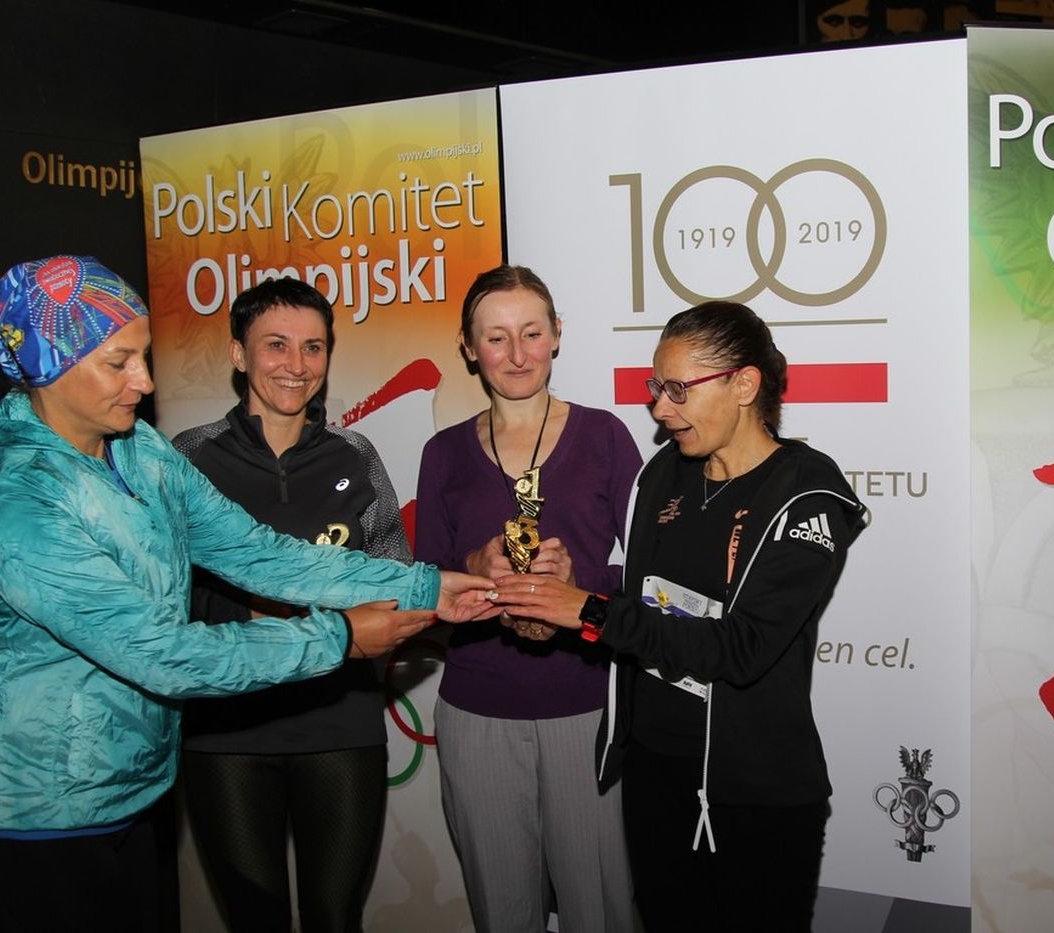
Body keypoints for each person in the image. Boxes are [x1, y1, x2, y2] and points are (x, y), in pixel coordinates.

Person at [0, 255, 495, 932]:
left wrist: (425, 584)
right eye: (119, 362)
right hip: (40, 815)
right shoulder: (13, 490)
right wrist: (338, 636)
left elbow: (256, 552)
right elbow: (160, 654)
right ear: (48, 365)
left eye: (144, 357)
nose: (145, 381)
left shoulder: (139, 450)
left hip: (131, 792)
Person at [485, 301, 865, 933]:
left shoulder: (806, 493)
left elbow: (741, 648)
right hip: (655, 774)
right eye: (656, 387)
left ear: (744, 384)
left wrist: (587, 610)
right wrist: (568, 589)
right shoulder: (664, 473)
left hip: (754, 792)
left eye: (679, 390)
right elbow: (644, 601)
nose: (660, 409)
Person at [171, 277, 410, 931]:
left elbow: (395, 581)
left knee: (335, 917)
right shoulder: (186, 458)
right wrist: (251, 616)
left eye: (313, 347)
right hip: (226, 732)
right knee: (257, 920)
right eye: (276, 344)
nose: (296, 365)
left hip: (339, 724)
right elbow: (154, 601)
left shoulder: (356, 456)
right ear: (238, 353)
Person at [414, 265, 641, 933]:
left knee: (600, 907)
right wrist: (471, 567)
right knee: (503, 910)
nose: (517, 355)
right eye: (496, 338)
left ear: (557, 334)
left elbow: (655, 581)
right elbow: (422, 581)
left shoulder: (605, 437)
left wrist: (580, 582)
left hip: (586, 705)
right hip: (477, 709)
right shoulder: (443, 453)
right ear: (468, 347)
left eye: (532, 333)